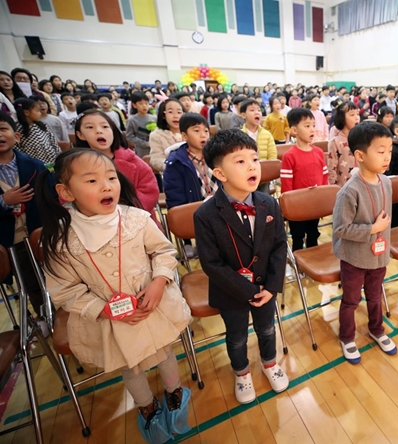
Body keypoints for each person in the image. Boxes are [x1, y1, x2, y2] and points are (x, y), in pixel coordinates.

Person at [36, 148, 192, 442]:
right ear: (65, 192)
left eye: (111, 177)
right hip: (109, 317)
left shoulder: (136, 218)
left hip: (151, 304)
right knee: (129, 364)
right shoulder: (60, 238)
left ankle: (174, 392)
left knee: (164, 351)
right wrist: (103, 309)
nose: (107, 185)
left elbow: (163, 251)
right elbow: (64, 290)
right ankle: (147, 406)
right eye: (92, 181)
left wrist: (159, 281)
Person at [194, 130, 289, 404]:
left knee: (267, 329)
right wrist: (247, 290)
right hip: (232, 291)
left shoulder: (269, 202)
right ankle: (242, 372)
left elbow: (280, 247)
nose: (252, 166)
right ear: (220, 174)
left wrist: (271, 287)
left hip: (265, 288)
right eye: (240, 161)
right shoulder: (205, 214)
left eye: (255, 159)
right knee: (236, 336)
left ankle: (269, 363)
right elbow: (211, 264)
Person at [332, 121, 397, 364]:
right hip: (355, 258)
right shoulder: (349, 191)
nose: (387, 156)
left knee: (375, 296)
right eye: (380, 151)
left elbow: (386, 222)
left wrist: (382, 240)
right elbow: (340, 229)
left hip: (378, 256)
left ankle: (376, 329)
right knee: (351, 300)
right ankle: (347, 337)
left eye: (389, 150)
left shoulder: (386, 182)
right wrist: (372, 229)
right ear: (360, 155)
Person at [0, 111, 46, 314]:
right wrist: (4, 201)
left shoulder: (35, 166)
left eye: (2, 129)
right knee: (26, 282)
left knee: (44, 278)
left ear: (16, 136)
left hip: (37, 234)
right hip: (8, 240)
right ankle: (37, 318)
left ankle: (49, 314)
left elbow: (48, 198)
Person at [74, 110, 159, 217]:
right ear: (80, 135)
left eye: (105, 127)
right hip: (91, 222)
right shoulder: (75, 166)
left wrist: (120, 213)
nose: (99, 131)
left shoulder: (135, 163)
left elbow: (149, 193)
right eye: (90, 127)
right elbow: (69, 197)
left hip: (134, 220)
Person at [280, 108, 329, 250]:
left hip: (315, 205)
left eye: (313, 125)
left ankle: (313, 262)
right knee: (297, 237)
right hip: (297, 208)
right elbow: (286, 185)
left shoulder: (319, 152)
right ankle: (299, 266)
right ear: (294, 131)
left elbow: (324, 177)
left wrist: (324, 199)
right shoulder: (289, 156)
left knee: (313, 234)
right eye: (307, 126)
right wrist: (288, 207)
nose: (312, 129)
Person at [14, 98, 61, 164]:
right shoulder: (17, 130)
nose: (40, 113)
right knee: (42, 174)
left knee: (52, 173)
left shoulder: (42, 126)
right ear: (26, 112)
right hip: (34, 165)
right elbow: (17, 149)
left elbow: (53, 142)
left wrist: (59, 156)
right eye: (37, 111)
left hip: (51, 161)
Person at [328, 100, 360, 187]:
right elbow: (331, 168)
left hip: (360, 185)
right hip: (343, 187)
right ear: (342, 118)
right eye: (352, 115)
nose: (357, 118)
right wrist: (333, 188)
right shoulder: (335, 142)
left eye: (357, 114)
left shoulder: (361, 139)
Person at [149, 98, 184, 172]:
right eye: (170, 112)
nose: (176, 116)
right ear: (163, 115)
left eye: (179, 112)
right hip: (172, 175)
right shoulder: (156, 135)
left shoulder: (189, 131)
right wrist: (173, 166)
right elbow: (156, 159)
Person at [240, 99, 277, 164]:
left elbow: (272, 157)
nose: (257, 112)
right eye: (252, 110)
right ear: (243, 115)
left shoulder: (267, 135)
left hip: (265, 170)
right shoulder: (239, 136)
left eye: (259, 110)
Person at [126, 92, 157, 158]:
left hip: (155, 148)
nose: (144, 106)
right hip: (142, 150)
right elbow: (129, 136)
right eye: (141, 103)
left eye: (146, 103)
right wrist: (145, 144)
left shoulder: (154, 118)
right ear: (134, 105)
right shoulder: (132, 120)